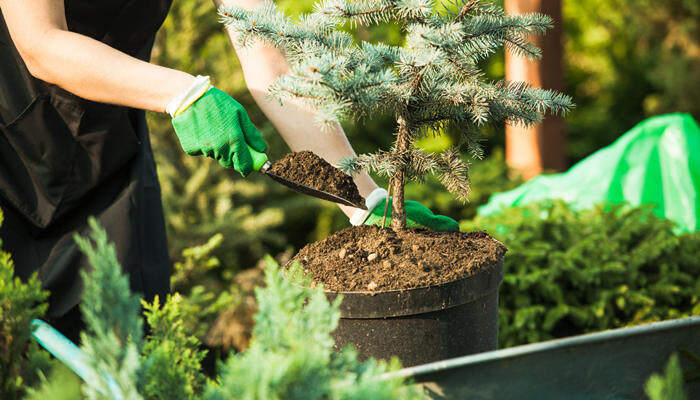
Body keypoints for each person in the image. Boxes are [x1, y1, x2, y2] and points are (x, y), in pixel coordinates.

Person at [0, 0, 458, 342]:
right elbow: (41, 41)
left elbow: (273, 62)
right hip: (10, 148)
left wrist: (363, 198)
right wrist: (180, 93)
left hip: (110, 142)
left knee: (128, 335)